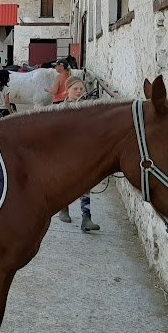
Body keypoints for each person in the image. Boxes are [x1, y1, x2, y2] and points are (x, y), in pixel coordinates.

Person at [56, 76, 100, 232]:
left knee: (85, 185)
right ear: (67, 91)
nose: (79, 91)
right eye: (75, 89)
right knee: (65, 183)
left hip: (83, 153)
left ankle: (86, 218)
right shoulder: (60, 109)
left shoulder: (88, 109)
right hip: (65, 153)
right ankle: (63, 209)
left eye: (81, 89)